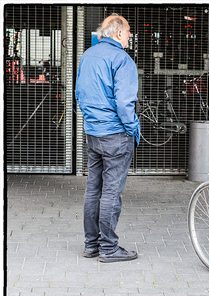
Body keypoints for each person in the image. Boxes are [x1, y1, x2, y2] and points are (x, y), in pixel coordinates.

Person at [75, 13, 140, 263]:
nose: (130, 35)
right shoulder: (122, 60)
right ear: (118, 33)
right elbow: (125, 104)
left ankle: (91, 245)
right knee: (112, 191)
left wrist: (93, 119)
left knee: (93, 189)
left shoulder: (88, 55)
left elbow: (79, 94)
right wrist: (133, 128)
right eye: (128, 31)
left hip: (93, 133)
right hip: (116, 134)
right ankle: (109, 248)